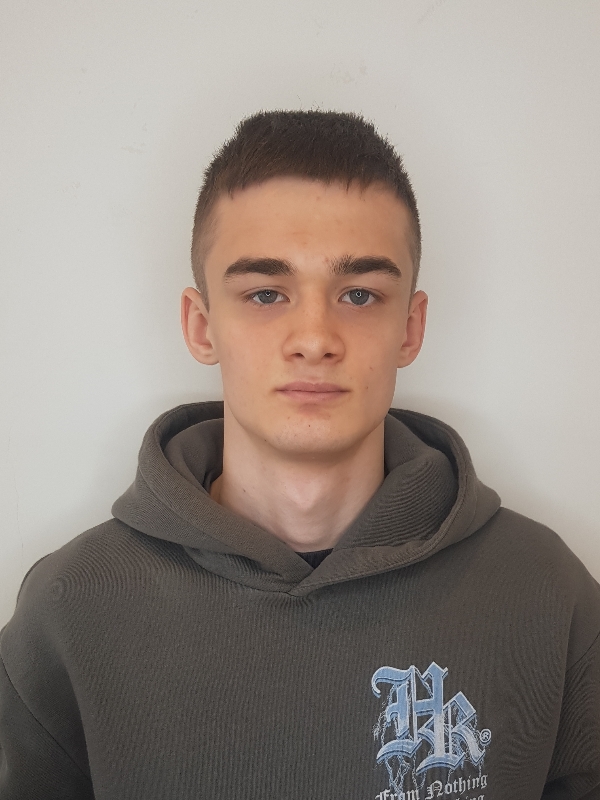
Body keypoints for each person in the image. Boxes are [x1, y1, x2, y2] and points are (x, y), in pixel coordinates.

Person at [0, 110, 598, 800]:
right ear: (201, 326)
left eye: (359, 295)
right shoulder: (71, 610)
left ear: (410, 328)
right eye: (265, 293)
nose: (314, 338)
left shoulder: (547, 594)